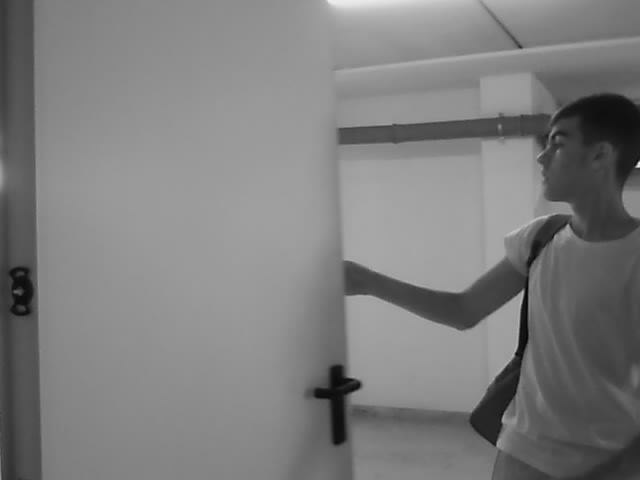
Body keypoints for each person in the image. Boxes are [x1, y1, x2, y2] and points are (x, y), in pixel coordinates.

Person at [343, 93, 640, 480]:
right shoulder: (539, 238)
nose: (541, 157)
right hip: (523, 450)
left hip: (611, 460)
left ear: (600, 155)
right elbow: (464, 310)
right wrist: (368, 281)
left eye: (558, 143)